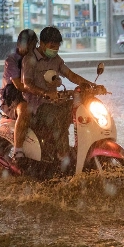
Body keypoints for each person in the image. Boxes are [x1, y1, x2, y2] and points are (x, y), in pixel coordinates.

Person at [20, 26, 95, 162]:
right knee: (58, 119)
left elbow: (70, 75)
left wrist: (91, 86)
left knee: (82, 110)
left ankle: (82, 150)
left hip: (54, 103)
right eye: (52, 46)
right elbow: (27, 84)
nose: (54, 50)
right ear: (41, 43)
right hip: (37, 107)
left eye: (57, 47)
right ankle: (63, 157)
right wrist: (45, 93)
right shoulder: (29, 60)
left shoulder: (56, 59)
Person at [0, 29, 38, 159]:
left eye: (33, 46)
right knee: (24, 110)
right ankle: (18, 150)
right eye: (27, 46)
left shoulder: (37, 60)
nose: (29, 49)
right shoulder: (12, 61)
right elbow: (19, 86)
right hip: (13, 99)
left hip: (32, 97)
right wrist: (42, 91)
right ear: (19, 44)